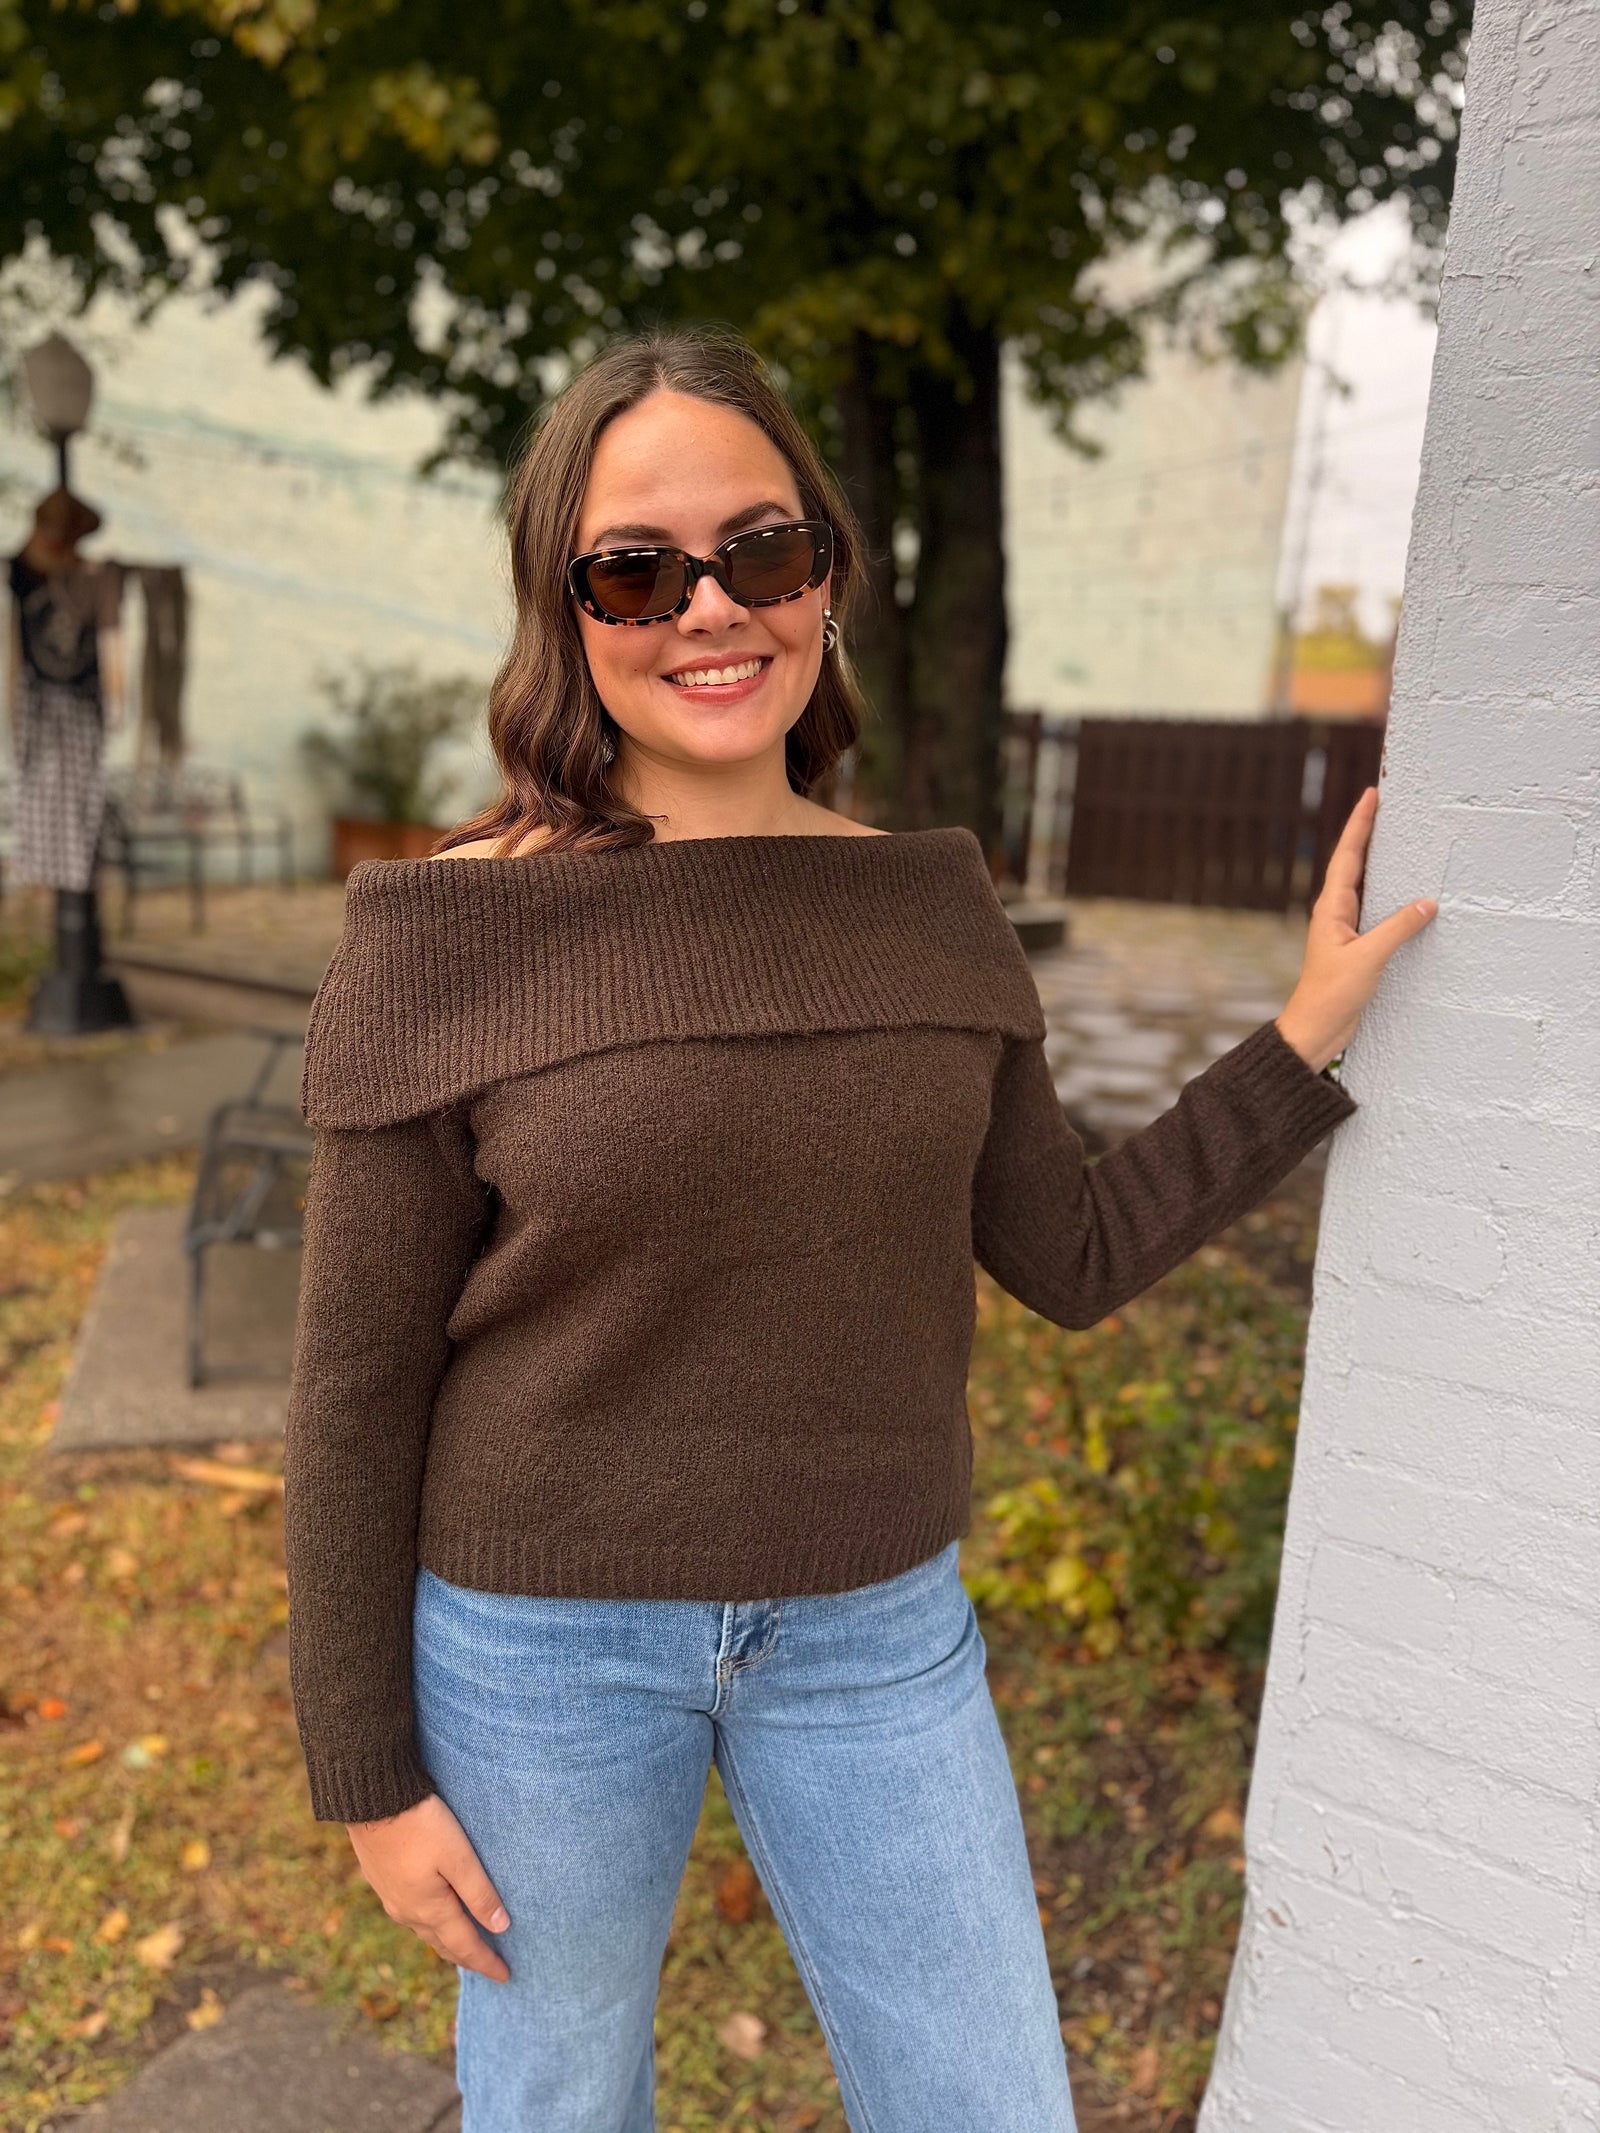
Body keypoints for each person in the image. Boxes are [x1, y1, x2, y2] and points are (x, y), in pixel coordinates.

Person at [282, 329, 1438, 2133]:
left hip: (873, 1633)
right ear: (563, 606)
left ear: (825, 568)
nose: (708, 609)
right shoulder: (445, 934)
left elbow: (1068, 1250)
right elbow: (353, 1390)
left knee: (987, 2097)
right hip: (534, 1645)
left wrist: (1297, 1045)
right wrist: (366, 1769)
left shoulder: (930, 907)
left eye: (761, 549)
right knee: (558, 2096)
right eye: (634, 568)